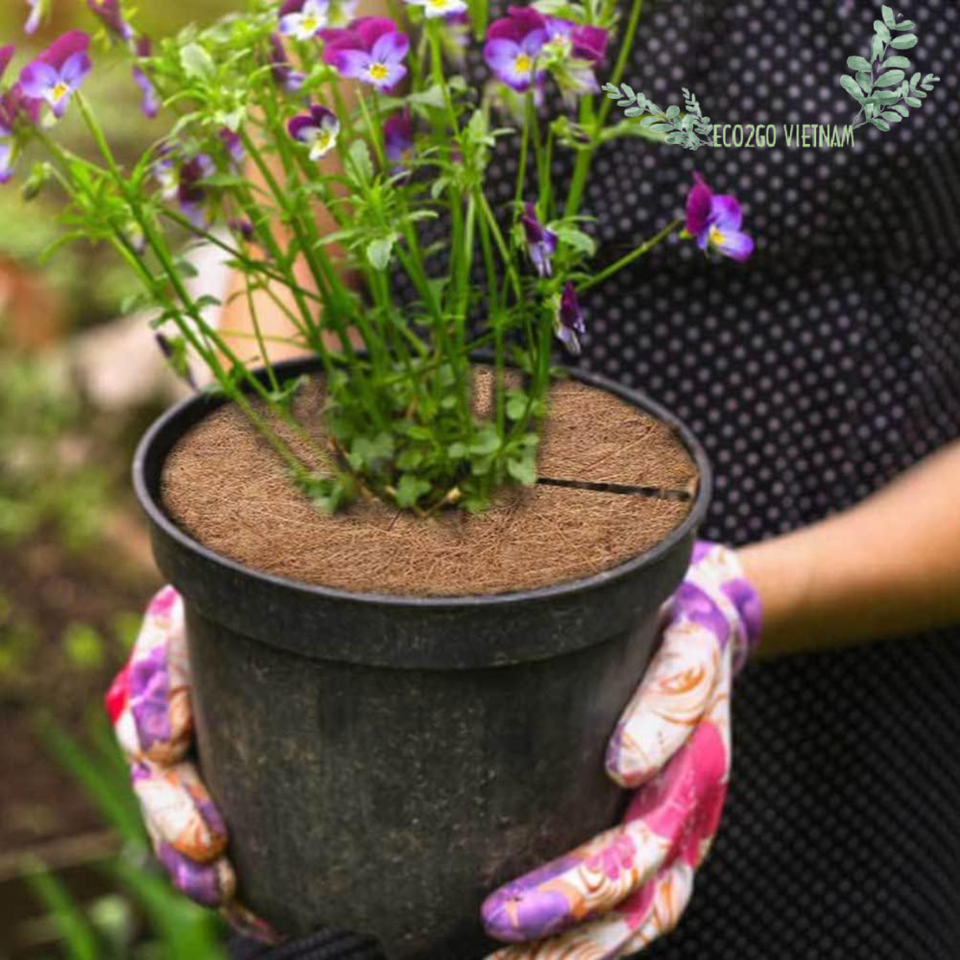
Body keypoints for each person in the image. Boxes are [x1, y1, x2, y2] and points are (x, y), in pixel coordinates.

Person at [107, 0, 960, 957]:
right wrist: (240, 572)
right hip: (383, 664)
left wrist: (735, 598)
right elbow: (291, 253)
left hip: (855, 699)